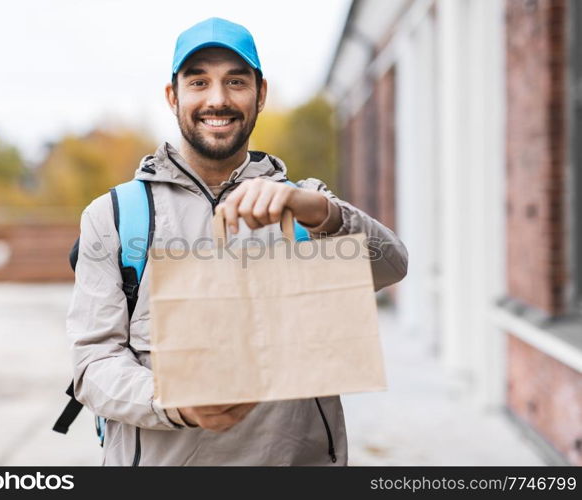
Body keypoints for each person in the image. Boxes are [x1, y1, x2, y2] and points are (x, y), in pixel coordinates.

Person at [67, 17, 408, 466]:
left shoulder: (305, 209)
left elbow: (392, 266)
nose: (218, 99)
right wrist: (174, 402)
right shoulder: (114, 217)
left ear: (260, 94)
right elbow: (92, 365)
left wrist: (322, 211)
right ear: (173, 96)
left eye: (235, 81)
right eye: (199, 81)